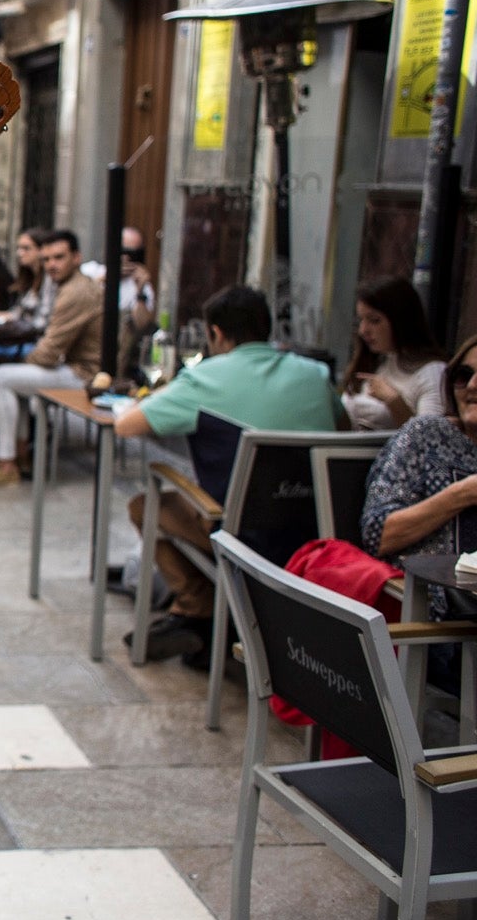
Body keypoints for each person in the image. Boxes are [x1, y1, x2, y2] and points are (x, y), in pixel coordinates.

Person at [112, 285, 346, 664]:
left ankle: (196, 608)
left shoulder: (205, 376)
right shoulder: (315, 374)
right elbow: (343, 431)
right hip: (315, 527)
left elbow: (126, 426)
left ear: (216, 333)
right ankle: (208, 615)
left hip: (240, 531)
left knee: (146, 505)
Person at [0, 230, 103, 490]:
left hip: (84, 376)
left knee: (0, 376)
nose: (52, 265)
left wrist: (22, 359)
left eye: (59, 257)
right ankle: (22, 455)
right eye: (47, 259)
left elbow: (48, 352)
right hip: (71, 366)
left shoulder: (76, 292)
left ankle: (6, 465)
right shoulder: (68, 285)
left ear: (77, 257)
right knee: (9, 377)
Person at [362, 335, 477, 616]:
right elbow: (378, 534)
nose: (472, 385)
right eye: (464, 375)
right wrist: (462, 493)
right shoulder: (426, 435)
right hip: (430, 617)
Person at [340, 274, 446, 431]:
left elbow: (429, 440)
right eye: (360, 321)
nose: (363, 331)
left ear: (401, 320)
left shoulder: (433, 373)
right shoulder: (380, 361)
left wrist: (394, 401)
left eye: (374, 320)